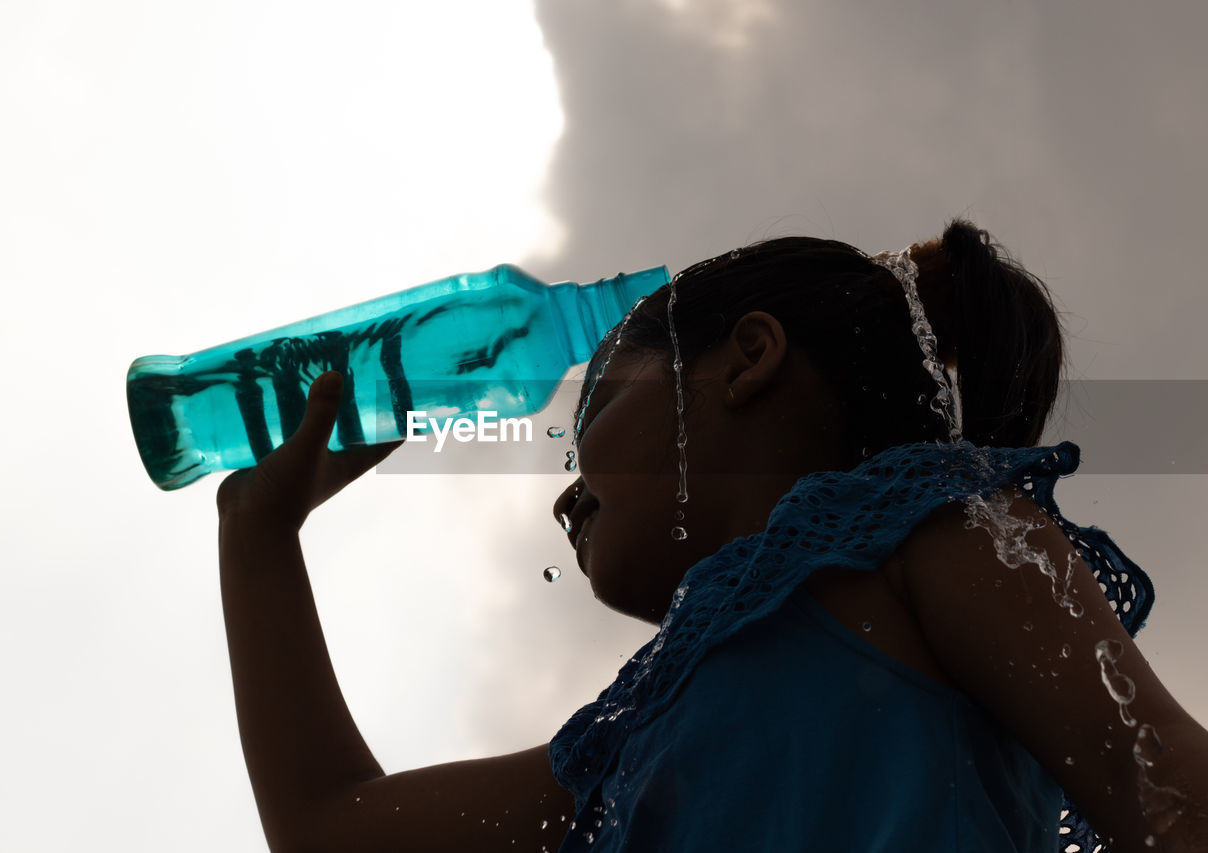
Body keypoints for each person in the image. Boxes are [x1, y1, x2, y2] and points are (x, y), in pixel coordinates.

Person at [215, 219, 1208, 852]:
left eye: (588, 417)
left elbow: (1165, 790)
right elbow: (328, 828)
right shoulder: (629, 745)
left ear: (746, 360)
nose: (567, 497)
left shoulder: (936, 530)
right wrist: (257, 540)